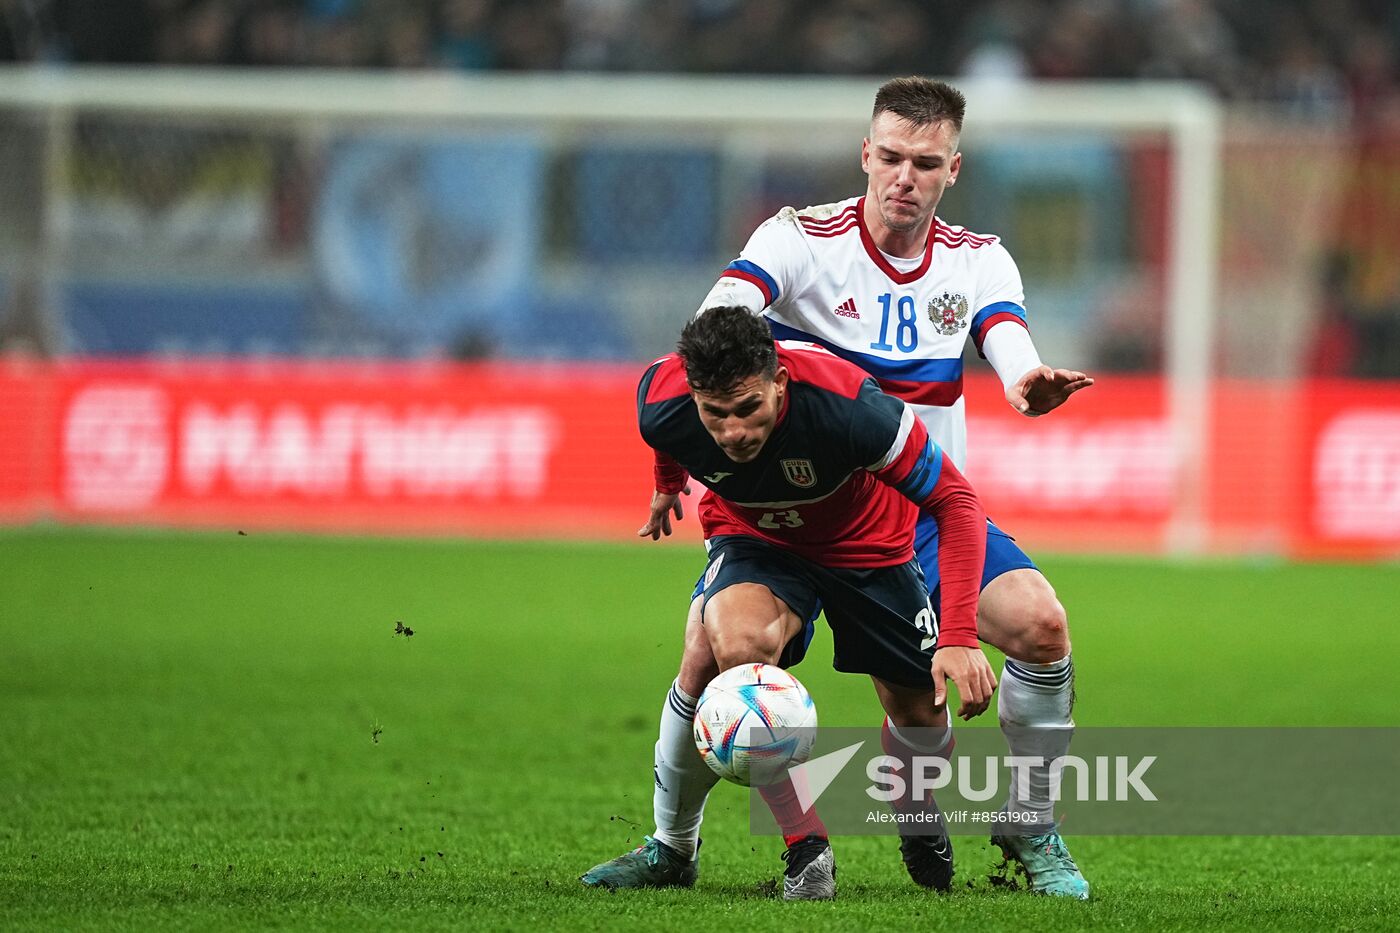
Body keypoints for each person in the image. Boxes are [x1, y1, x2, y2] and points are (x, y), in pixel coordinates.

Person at [591, 76, 1095, 899]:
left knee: (1039, 628)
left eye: (925, 162)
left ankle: (1029, 822)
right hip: (778, 513)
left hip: (919, 512)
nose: (904, 176)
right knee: (713, 651)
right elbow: (712, 332)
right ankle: (672, 845)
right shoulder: (796, 240)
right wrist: (679, 460)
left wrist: (1024, 380)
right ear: (866, 153)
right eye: (890, 156)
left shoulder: (978, 259)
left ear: (953, 169)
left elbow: (1008, 339)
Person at [583, 306, 993, 900]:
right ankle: (780, 848)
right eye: (714, 414)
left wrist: (958, 635)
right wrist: (668, 484)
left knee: (922, 717)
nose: (733, 434)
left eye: (748, 409)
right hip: (756, 538)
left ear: (779, 381)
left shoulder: (852, 408)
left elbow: (956, 501)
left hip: (868, 544)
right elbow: (667, 437)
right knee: (726, 655)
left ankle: (915, 802)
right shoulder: (661, 400)